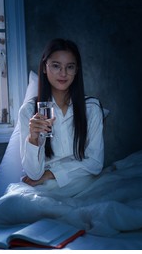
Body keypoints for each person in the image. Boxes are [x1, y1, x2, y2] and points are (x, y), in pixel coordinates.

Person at [18, 38, 104, 194]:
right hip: (44, 187)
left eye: (69, 67)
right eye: (56, 66)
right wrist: (33, 138)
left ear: (76, 70)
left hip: (83, 182)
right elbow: (33, 174)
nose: (63, 73)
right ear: (45, 67)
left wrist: (51, 174)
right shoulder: (29, 111)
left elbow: (95, 163)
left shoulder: (91, 108)